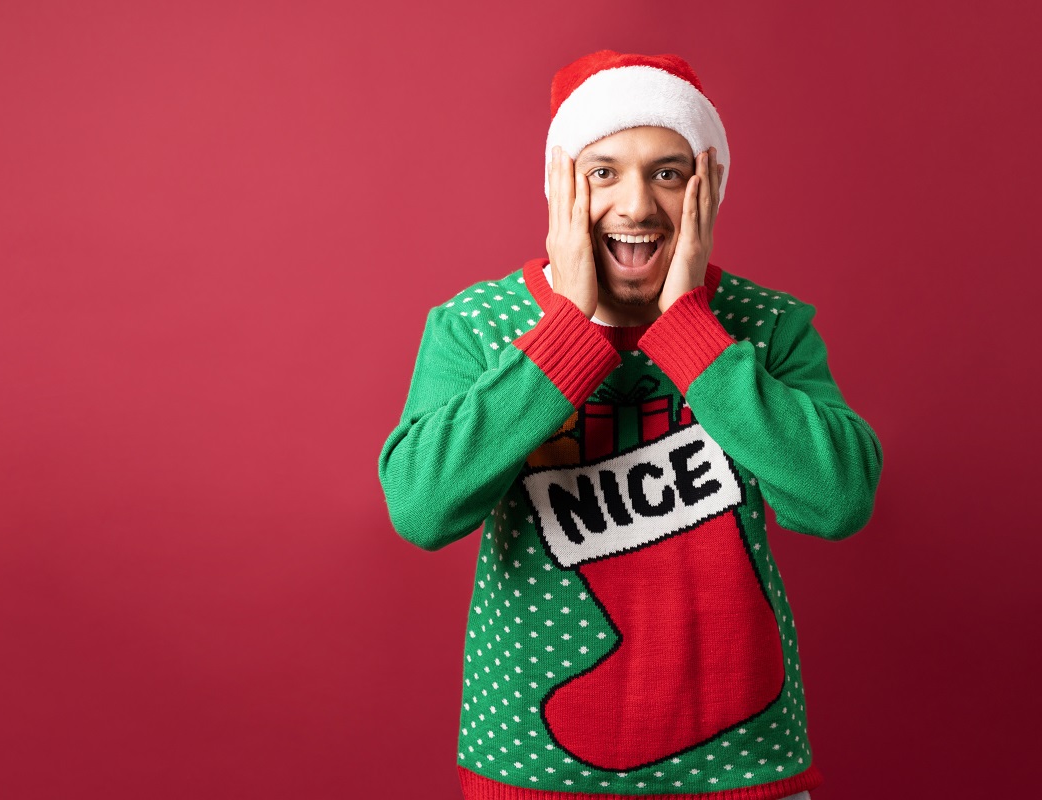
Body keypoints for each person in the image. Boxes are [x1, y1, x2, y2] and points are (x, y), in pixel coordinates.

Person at [378, 50, 882, 800]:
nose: (638, 206)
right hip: (534, 762)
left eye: (668, 173)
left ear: (708, 186)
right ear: (559, 185)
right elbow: (421, 508)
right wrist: (565, 334)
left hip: (744, 761)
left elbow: (839, 499)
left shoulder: (765, 327)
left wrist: (692, 334)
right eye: (604, 172)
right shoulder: (479, 326)